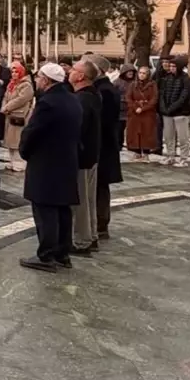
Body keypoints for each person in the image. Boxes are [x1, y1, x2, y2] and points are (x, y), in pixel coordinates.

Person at [19, 63, 82, 272]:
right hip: (67, 162)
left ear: (46, 80)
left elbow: (33, 132)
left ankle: (46, 256)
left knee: (45, 210)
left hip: (46, 164)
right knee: (63, 209)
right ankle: (62, 254)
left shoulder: (47, 103)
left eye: (38, 77)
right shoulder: (73, 99)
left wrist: (25, 151)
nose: (36, 80)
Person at [87, 55, 123, 241]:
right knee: (99, 186)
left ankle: (101, 224)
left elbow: (103, 121)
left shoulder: (105, 91)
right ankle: (99, 223)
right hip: (104, 145)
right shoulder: (102, 88)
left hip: (103, 146)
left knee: (100, 186)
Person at [69, 61, 103, 256]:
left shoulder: (82, 99)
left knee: (80, 200)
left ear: (81, 76)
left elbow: (77, 129)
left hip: (82, 157)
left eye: (74, 69)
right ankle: (91, 235)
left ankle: (81, 240)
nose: (70, 72)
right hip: (91, 155)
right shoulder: (92, 95)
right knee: (88, 199)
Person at [157, 58, 190, 167]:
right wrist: (163, 108)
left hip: (181, 112)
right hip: (167, 112)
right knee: (168, 136)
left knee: (183, 137)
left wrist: (173, 107)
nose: (171, 68)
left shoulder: (186, 79)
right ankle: (170, 156)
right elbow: (162, 94)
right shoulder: (166, 78)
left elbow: (185, 96)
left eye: (174, 66)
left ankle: (183, 158)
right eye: (171, 66)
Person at [0, 61, 34, 172]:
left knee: (18, 139)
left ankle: (20, 162)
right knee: (10, 140)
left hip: (19, 115)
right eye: (12, 71)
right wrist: (4, 106)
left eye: (16, 71)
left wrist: (8, 106)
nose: (14, 74)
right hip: (10, 115)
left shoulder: (26, 85)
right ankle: (12, 160)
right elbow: (6, 96)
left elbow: (22, 99)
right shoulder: (12, 84)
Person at [125, 66, 159, 162]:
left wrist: (143, 108)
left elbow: (154, 99)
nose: (141, 75)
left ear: (148, 74)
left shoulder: (152, 85)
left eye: (144, 73)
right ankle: (137, 151)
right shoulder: (132, 84)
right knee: (134, 132)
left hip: (147, 112)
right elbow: (128, 97)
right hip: (134, 112)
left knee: (147, 132)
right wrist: (135, 107)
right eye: (140, 73)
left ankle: (146, 152)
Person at [114, 66, 136, 149]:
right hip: (121, 110)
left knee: (132, 129)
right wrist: (124, 99)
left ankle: (132, 145)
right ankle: (119, 144)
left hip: (132, 109)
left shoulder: (135, 82)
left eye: (132, 72)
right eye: (129, 72)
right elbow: (114, 94)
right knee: (120, 129)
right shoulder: (117, 82)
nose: (131, 73)